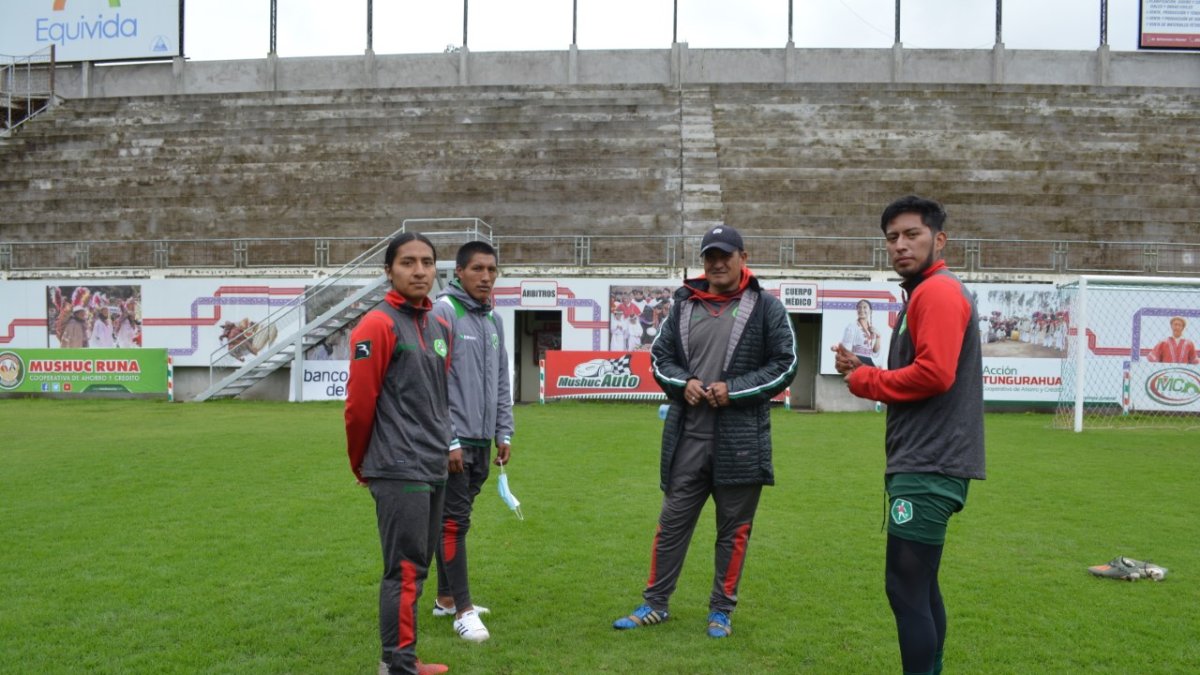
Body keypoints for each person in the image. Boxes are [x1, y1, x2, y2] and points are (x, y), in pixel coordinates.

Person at [612, 224, 797, 639]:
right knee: (671, 525)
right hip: (688, 439)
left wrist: (733, 390)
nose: (716, 263)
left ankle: (721, 611)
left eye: (725, 255)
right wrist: (684, 383)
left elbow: (785, 365)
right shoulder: (683, 306)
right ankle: (655, 604)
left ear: (742, 259)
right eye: (710, 256)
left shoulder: (766, 307)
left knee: (733, 533)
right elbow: (660, 359)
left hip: (741, 444)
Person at [833, 195, 986, 675]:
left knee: (905, 588)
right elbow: (922, 372)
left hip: (929, 466)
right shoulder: (924, 293)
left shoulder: (936, 292)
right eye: (892, 238)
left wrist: (864, 381)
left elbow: (935, 375)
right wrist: (868, 368)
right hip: (930, 462)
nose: (900, 245)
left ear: (939, 239)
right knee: (921, 587)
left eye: (911, 234)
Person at [344, 232, 453, 675]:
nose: (420, 270)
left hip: (433, 465)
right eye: (408, 262)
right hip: (397, 466)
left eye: (427, 262)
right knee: (403, 571)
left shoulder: (438, 325)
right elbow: (358, 404)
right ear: (388, 270)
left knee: (418, 570)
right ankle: (397, 667)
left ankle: (403, 659)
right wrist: (362, 461)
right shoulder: (377, 324)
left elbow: (437, 400)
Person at [429, 241, 515, 643]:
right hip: (455, 442)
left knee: (454, 521)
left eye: (492, 270)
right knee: (454, 521)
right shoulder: (444, 312)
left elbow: (502, 380)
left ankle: (446, 598)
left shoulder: (493, 319)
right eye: (478, 269)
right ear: (459, 272)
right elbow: (435, 385)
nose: (486, 277)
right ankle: (462, 610)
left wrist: (505, 430)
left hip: (484, 440)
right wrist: (449, 440)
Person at [842, 299, 882, 366]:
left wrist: (878, 337)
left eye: (864, 307)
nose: (861, 310)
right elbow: (846, 347)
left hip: (868, 360)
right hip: (856, 360)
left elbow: (875, 353)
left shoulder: (872, 329)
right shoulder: (852, 326)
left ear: (870, 311)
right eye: (859, 307)